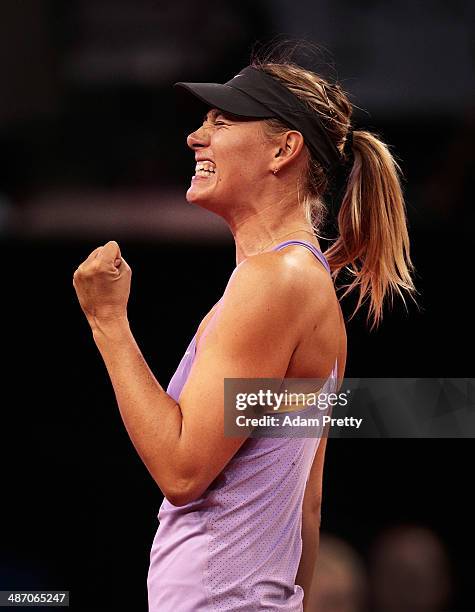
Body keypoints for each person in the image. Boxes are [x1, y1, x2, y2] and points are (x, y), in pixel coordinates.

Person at [72, 49, 417, 611]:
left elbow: (183, 472)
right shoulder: (299, 281)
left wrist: (107, 323)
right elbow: (307, 502)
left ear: (283, 149)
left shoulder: (275, 281)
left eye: (222, 122)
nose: (194, 137)